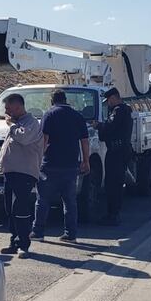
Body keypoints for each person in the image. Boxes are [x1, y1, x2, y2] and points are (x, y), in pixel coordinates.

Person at [31, 90, 90, 242]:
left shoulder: (49, 114)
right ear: (65, 100)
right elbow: (84, 140)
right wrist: (86, 161)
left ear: (52, 101)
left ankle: (38, 232)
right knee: (70, 201)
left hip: (50, 164)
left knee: (42, 200)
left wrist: (37, 160)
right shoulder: (77, 116)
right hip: (71, 166)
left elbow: (44, 139)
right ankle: (70, 234)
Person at [0, 93, 44, 256]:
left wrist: (11, 125)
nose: (6, 112)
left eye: (8, 108)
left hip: (24, 173)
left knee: (20, 208)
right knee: (10, 208)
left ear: (18, 107)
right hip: (11, 172)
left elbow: (23, 138)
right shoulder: (17, 124)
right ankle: (14, 240)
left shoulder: (31, 123)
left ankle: (24, 243)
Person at [93, 87, 132, 226]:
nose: (108, 103)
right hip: (120, 151)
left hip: (117, 152)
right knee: (114, 183)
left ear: (114, 98)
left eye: (108, 100)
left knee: (113, 184)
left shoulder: (119, 110)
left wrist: (98, 126)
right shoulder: (124, 110)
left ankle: (113, 215)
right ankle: (113, 213)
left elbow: (110, 127)